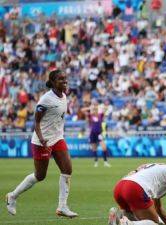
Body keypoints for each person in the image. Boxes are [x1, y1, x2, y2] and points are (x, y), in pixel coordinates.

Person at [6, 69, 78, 218]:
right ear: (52, 83)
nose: (64, 81)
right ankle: (12, 196)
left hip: (57, 138)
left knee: (67, 169)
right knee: (40, 175)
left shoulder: (63, 95)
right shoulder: (46, 100)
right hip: (42, 141)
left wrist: (66, 63)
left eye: (65, 79)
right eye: (60, 79)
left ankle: (62, 206)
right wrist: (42, 138)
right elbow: (36, 121)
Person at [109, 161, 166, 225]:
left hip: (120, 187)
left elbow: (158, 208)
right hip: (134, 188)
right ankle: (124, 223)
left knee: (134, 220)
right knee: (153, 223)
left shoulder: (163, 173)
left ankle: (119, 220)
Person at [82, 101, 111, 167]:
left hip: (99, 133)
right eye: (94, 109)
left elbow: (106, 108)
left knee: (104, 147)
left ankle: (105, 162)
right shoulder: (90, 115)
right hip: (92, 133)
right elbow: (82, 110)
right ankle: (96, 162)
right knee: (94, 148)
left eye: (96, 109)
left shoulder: (100, 115)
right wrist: (90, 108)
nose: (95, 110)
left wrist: (100, 107)